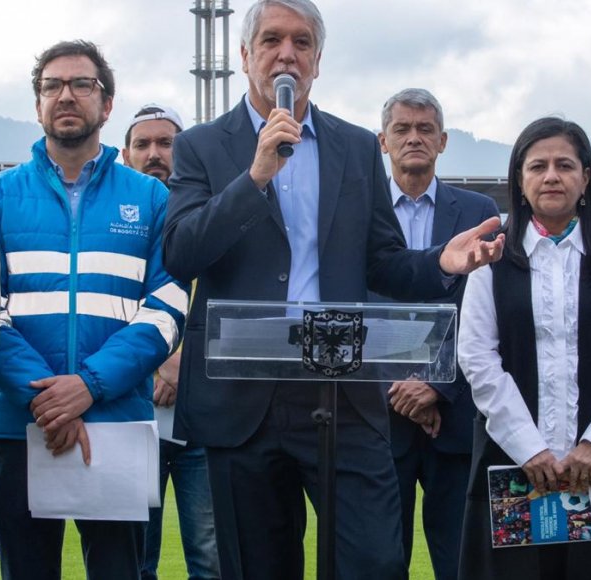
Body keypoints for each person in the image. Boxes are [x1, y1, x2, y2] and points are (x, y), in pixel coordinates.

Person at [162, 1, 503, 577]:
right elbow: (181, 253)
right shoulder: (201, 146)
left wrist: (440, 261)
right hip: (242, 396)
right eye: (271, 40)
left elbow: (383, 264)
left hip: (342, 388)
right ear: (245, 56)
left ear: (318, 60)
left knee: (373, 560)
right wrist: (256, 178)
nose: (286, 53)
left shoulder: (354, 148)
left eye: (301, 42)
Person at [0, 41, 187, 580]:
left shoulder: (151, 198)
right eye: (52, 86)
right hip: (22, 426)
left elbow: (166, 307)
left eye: (81, 85)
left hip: (116, 421)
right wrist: (50, 396)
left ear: (107, 104)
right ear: (38, 103)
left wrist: (88, 386)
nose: (65, 95)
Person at [457, 117, 591, 579]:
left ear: (585, 177)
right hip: (512, 465)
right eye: (538, 166)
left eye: (565, 165)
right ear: (520, 180)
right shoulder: (493, 258)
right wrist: (530, 449)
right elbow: (478, 359)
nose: (551, 176)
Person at [373, 88, 499, 580]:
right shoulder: (358, 212)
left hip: (456, 417)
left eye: (425, 129)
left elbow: (483, 311)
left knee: (463, 561)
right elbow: (356, 304)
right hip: (380, 419)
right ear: (383, 141)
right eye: (402, 129)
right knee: (380, 561)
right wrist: (396, 384)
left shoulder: (477, 212)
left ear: (443, 141)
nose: (414, 138)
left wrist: (435, 384)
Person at [123, 103, 221, 580]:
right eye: (143, 144)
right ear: (125, 155)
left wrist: (187, 361)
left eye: (167, 144)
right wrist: (159, 363)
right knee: (135, 559)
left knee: (211, 556)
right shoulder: (114, 226)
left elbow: (231, 303)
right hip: (133, 416)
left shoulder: (212, 217)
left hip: (202, 420)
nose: (155, 154)